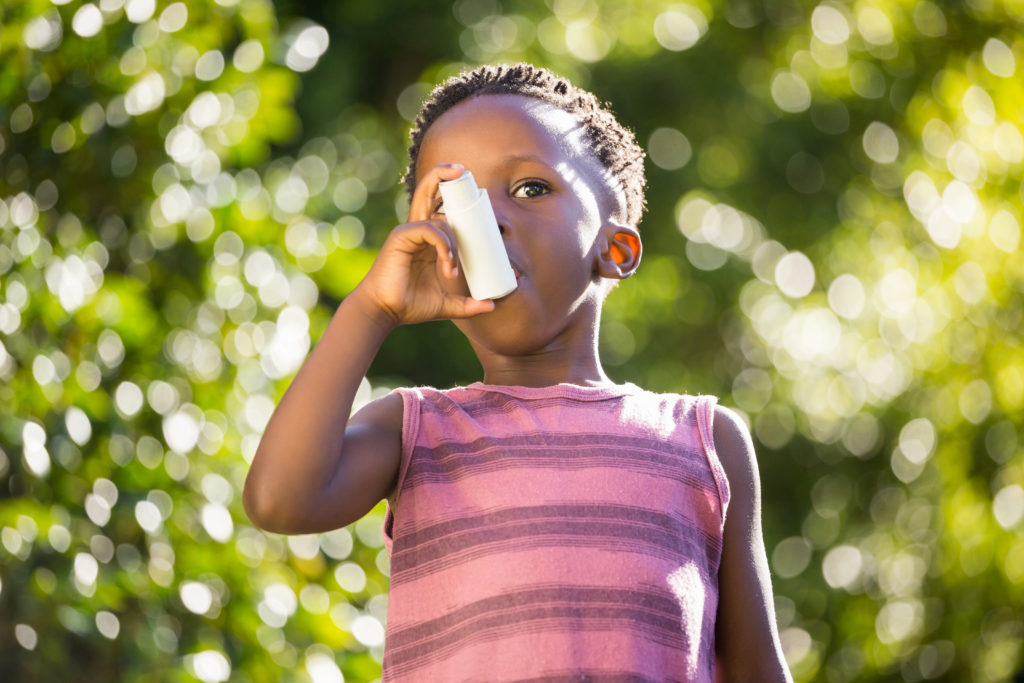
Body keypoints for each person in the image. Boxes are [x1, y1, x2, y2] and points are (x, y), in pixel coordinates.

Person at [244, 63, 791, 682]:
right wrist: (372, 309)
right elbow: (279, 501)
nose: (489, 219)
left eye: (530, 188)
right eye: (456, 202)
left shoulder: (703, 440)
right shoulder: (415, 430)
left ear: (616, 250)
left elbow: (756, 670)